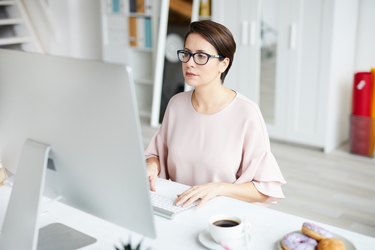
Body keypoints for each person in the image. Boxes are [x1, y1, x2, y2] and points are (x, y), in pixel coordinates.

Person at [145, 20, 286, 207]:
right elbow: (156, 154)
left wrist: (218, 188)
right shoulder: (176, 105)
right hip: (175, 206)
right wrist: (152, 166)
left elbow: (265, 189)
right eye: (186, 54)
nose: (189, 63)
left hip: (221, 216)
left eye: (201, 56)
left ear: (223, 64)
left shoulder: (247, 113)